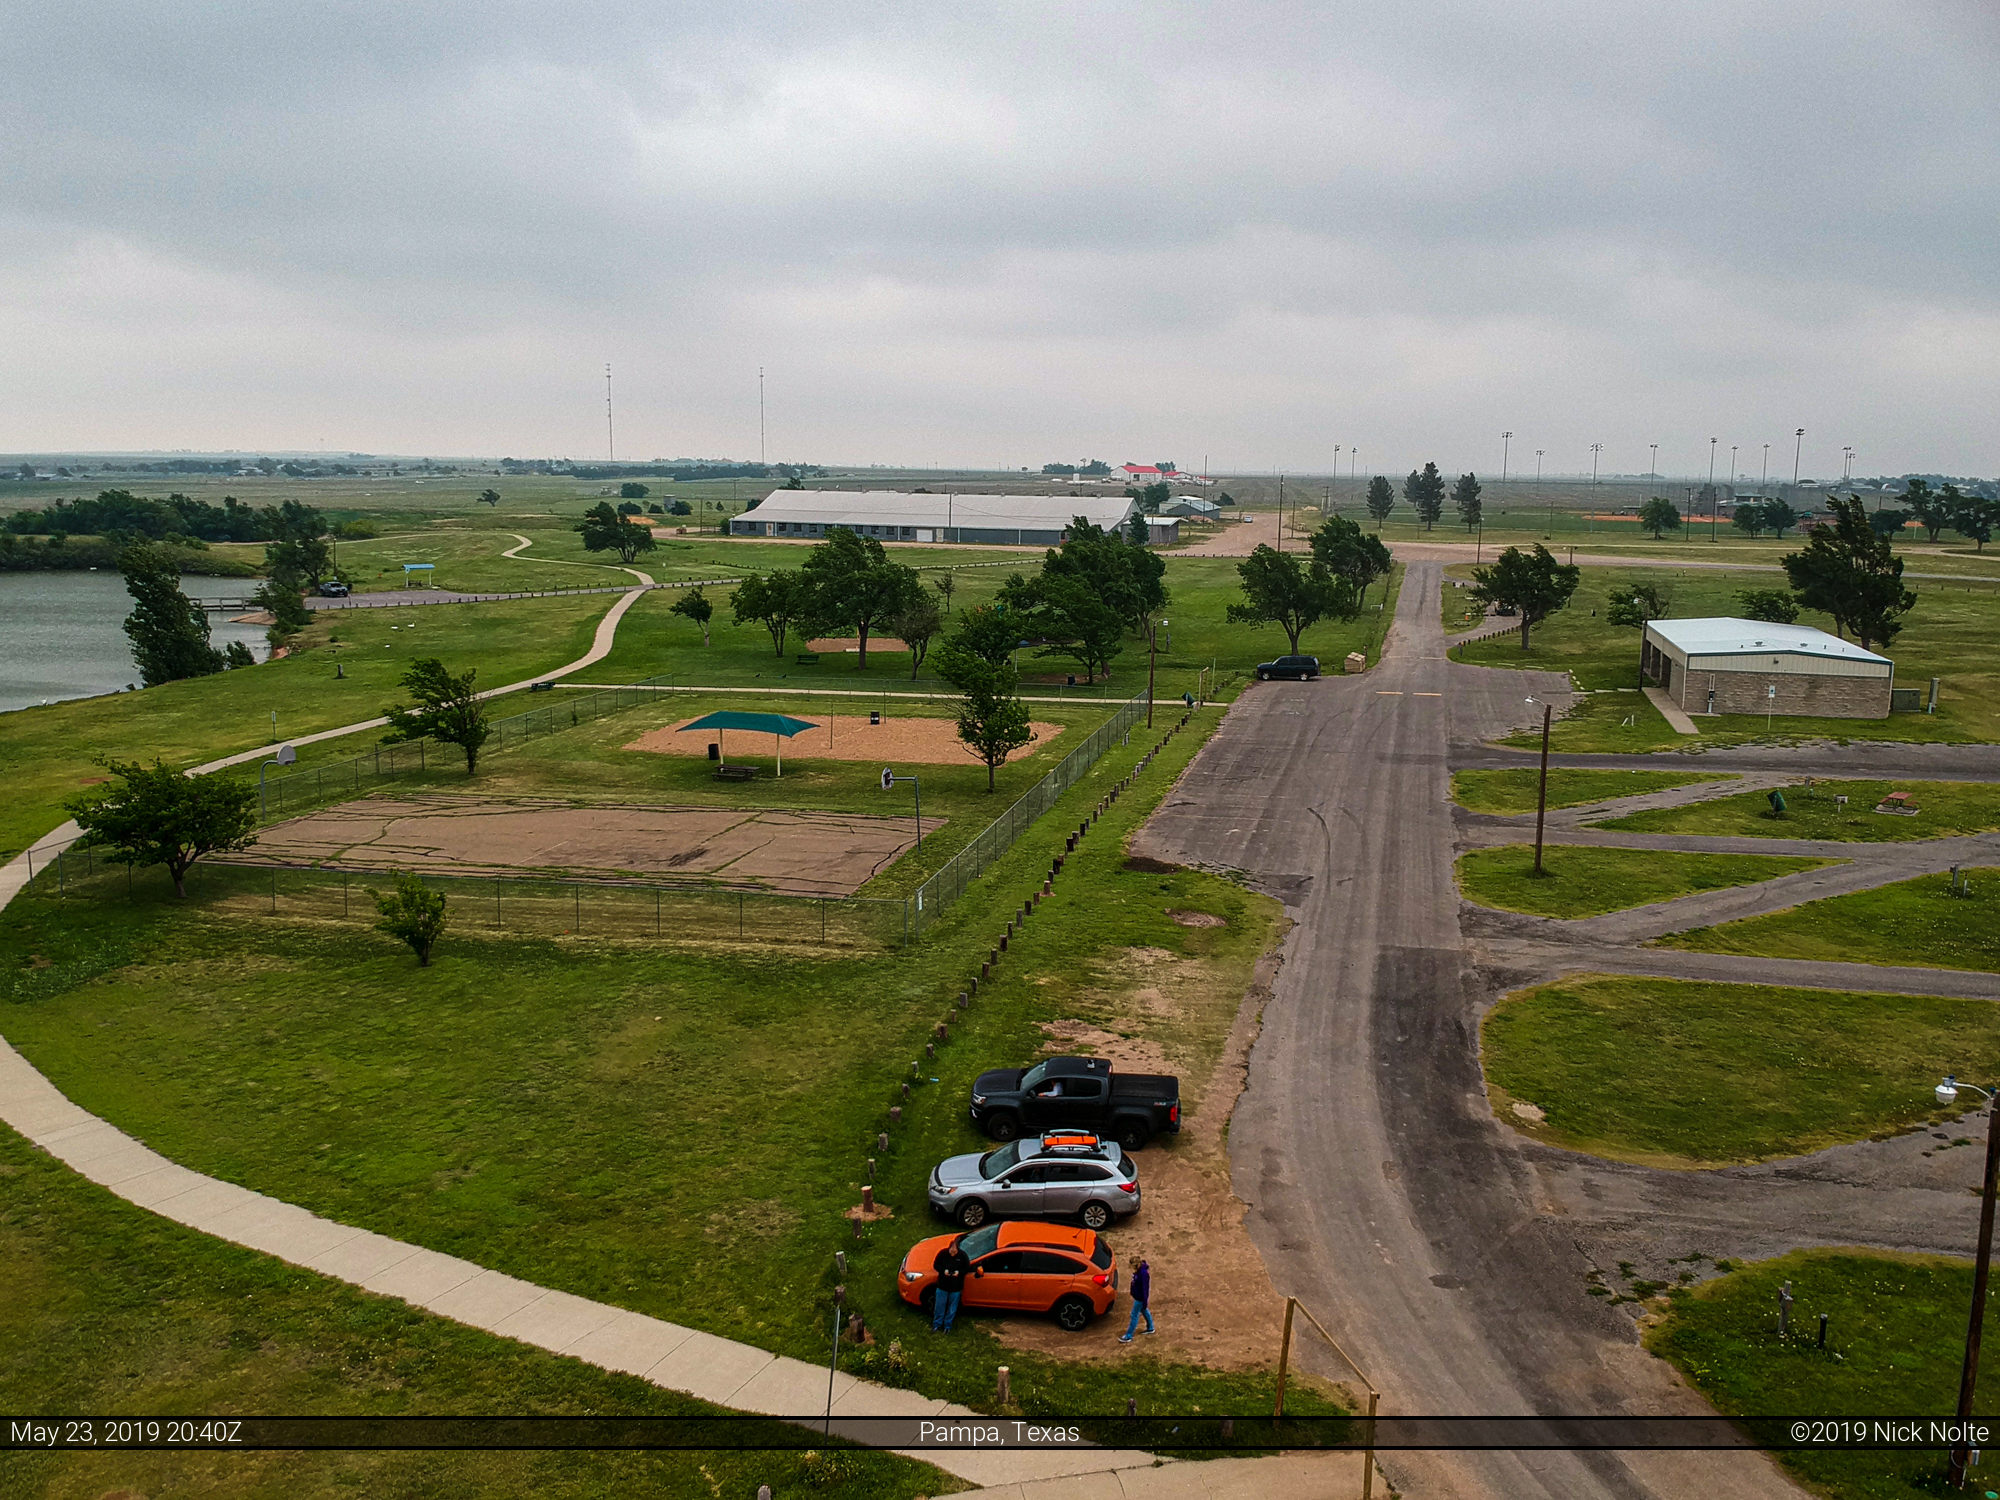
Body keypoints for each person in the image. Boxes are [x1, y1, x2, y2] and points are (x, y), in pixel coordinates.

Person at [932, 1235, 973, 1333]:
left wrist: (959, 1272)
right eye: (951, 1251)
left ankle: (947, 1326)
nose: (952, 1253)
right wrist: (943, 1271)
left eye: (954, 1252)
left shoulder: (963, 1256)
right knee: (939, 1307)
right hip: (942, 1286)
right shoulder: (943, 1254)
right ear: (949, 1248)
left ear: (957, 1250)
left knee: (952, 1309)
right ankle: (937, 1325)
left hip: (956, 1287)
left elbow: (967, 1268)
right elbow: (936, 1265)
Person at [1119, 1258, 1154, 1342]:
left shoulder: (1143, 1274)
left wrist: (1145, 1301)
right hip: (1138, 1297)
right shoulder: (1139, 1272)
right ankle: (1150, 1327)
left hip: (1140, 1298)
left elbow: (1145, 1289)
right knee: (1144, 1310)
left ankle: (1128, 1335)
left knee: (1134, 1315)